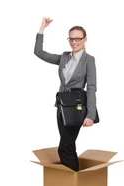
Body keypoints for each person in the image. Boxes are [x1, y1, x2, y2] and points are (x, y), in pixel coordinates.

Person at [34, 17, 97, 172]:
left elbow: (91, 87)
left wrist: (91, 115)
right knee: (69, 147)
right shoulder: (64, 57)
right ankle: (73, 184)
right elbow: (39, 52)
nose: (74, 42)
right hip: (62, 106)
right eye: (71, 39)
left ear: (85, 39)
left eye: (77, 38)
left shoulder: (89, 60)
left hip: (76, 107)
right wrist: (42, 28)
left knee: (64, 147)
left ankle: (72, 178)